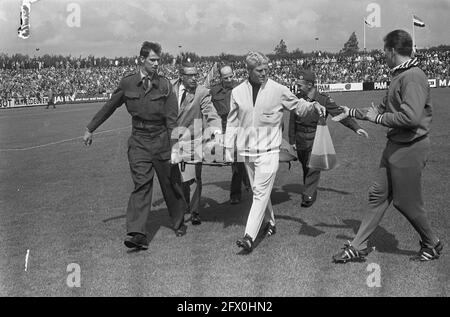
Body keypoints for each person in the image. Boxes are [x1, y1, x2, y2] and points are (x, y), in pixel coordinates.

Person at [332, 30, 443, 263]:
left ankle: (432, 243)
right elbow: (380, 109)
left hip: (410, 147)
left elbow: (410, 118)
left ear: (392, 50)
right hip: (396, 145)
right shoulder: (400, 75)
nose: (383, 55)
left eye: (384, 50)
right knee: (378, 196)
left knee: (406, 202)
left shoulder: (413, 76)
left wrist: (378, 119)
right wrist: (350, 112)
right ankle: (358, 245)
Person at [83, 41, 187, 251]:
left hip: (161, 140)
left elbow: (172, 120)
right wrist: (90, 128)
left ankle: (178, 221)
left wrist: (175, 147)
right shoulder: (128, 83)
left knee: (170, 184)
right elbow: (109, 106)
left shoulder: (165, 85)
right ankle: (137, 233)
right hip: (139, 141)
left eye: (158, 60)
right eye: (152, 60)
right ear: (142, 59)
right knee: (142, 184)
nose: (157, 64)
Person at [224, 51, 326, 253]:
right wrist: (229, 149)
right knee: (258, 192)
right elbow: (232, 122)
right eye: (260, 70)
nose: (264, 73)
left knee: (260, 192)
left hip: (270, 151)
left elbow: (298, 106)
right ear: (249, 70)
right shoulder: (237, 92)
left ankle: (249, 236)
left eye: (266, 70)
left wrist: (313, 106)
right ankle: (270, 223)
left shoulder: (278, 90)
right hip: (247, 152)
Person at [288, 69, 368, 207]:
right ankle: (309, 188)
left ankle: (308, 195)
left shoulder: (324, 99)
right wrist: (292, 140)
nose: (298, 87)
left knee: (313, 166)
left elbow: (339, 113)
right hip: (300, 138)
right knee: (306, 166)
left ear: (310, 85)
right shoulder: (297, 98)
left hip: (316, 137)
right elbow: (292, 120)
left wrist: (356, 127)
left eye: (300, 84)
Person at [171, 62, 222, 226]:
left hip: (193, 141)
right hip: (171, 140)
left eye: (195, 75)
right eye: (190, 75)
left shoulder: (202, 92)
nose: (194, 78)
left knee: (193, 177)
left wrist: (216, 130)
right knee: (177, 178)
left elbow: (211, 112)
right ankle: (183, 205)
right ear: (181, 76)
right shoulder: (168, 87)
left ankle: (194, 212)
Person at [210, 65, 251, 205]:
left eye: (231, 76)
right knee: (231, 160)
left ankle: (235, 194)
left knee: (237, 160)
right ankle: (247, 181)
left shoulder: (241, 88)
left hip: (237, 127)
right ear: (220, 78)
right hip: (221, 128)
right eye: (225, 77)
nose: (229, 79)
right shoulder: (214, 91)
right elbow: (209, 109)